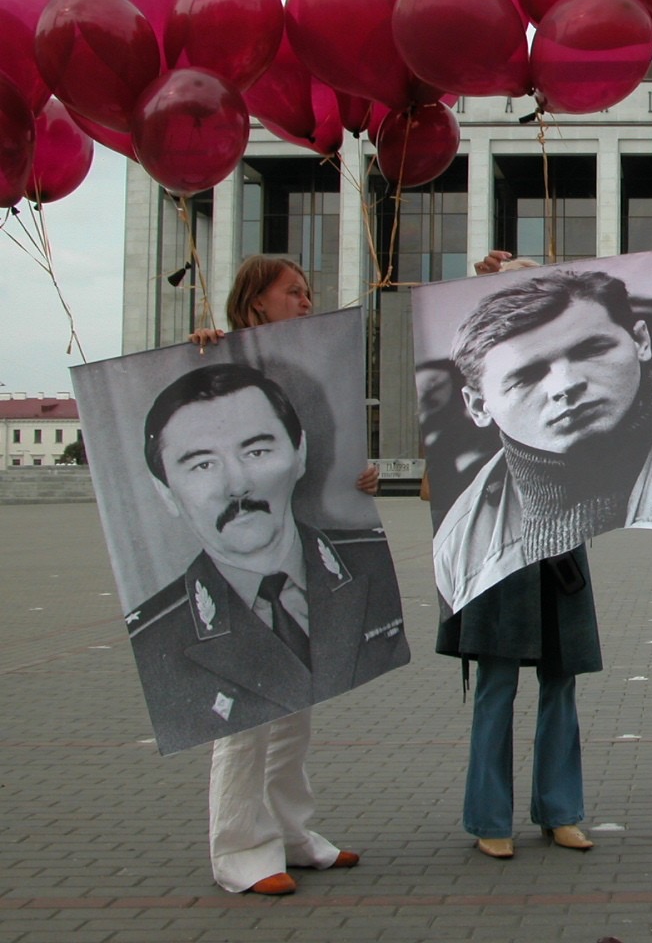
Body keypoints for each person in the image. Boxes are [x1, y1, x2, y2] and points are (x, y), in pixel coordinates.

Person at [142, 255, 403, 896]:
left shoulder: (299, 377)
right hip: (234, 601)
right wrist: (205, 347)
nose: (306, 302)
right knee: (245, 727)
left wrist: (358, 479)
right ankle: (240, 851)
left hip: (296, 585)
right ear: (258, 302)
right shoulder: (212, 359)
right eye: (294, 292)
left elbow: (325, 479)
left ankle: (293, 835)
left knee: (294, 718)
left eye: (258, 451)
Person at [432, 266, 652, 616]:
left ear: (640, 341)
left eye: (591, 350)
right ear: (478, 406)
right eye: (526, 376)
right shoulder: (457, 540)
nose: (565, 384)